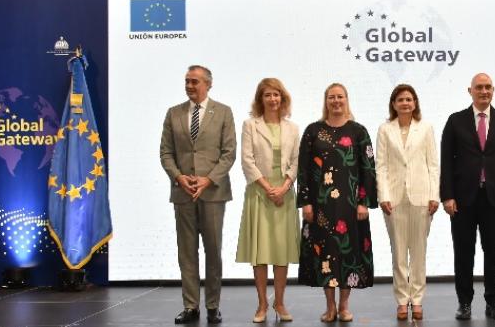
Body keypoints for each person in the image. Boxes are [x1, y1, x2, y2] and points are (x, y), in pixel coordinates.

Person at [440, 73, 495, 321]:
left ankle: (493, 303)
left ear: (493, 90)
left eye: (488, 87)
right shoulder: (455, 121)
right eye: (479, 87)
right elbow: (445, 161)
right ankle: (464, 303)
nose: (484, 91)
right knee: (463, 253)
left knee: (493, 252)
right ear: (470, 91)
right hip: (463, 200)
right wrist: (447, 196)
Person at [160, 65, 237, 324]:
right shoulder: (173, 114)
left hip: (213, 193)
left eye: (194, 81)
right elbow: (166, 154)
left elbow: (229, 153)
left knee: (213, 251)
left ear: (208, 84)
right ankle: (191, 306)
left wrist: (208, 179)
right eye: (187, 81)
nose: (190, 86)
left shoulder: (224, 112)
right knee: (187, 252)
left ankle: (213, 306)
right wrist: (179, 177)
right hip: (183, 193)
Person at [297, 83, 378, 323]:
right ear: (326, 101)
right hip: (321, 207)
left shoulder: (359, 131)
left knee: (348, 254)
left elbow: (368, 169)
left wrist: (364, 202)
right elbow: (303, 168)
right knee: (327, 256)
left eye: (340, 97)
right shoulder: (313, 131)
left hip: (351, 206)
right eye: (331, 97)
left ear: (346, 100)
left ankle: (344, 306)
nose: (336, 101)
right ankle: (329, 306)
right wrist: (306, 203)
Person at [236, 78, 300, 323]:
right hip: (260, 193)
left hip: (284, 193)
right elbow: (247, 161)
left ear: (282, 99)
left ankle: (280, 303)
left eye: (277, 95)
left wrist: (283, 187)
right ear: (260, 99)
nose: (273, 99)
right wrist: (268, 188)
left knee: (281, 251)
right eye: (268, 95)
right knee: (261, 252)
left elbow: (295, 161)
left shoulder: (293, 128)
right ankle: (262, 304)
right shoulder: (250, 125)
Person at [375, 84, 440, 321]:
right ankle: (402, 300)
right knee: (399, 253)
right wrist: (383, 196)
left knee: (419, 253)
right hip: (394, 199)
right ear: (393, 104)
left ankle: (418, 300)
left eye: (409, 99)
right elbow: (380, 165)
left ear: (415, 103)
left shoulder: (426, 128)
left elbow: (433, 164)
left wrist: (435, 195)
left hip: (422, 197)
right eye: (400, 99)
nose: (405, 103)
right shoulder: (385, 129)